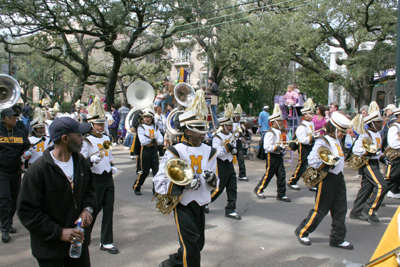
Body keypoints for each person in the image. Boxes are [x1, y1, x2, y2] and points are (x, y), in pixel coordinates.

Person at [17, 116, 97, 266]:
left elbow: (90, 191)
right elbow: (27, 212)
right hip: (50, 251)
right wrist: (59, 233)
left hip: (78, 247)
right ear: (65, 139)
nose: (83, 139)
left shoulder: (80, 162)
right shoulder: (37, 171)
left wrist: (88, 209)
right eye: (79, 135)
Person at [154, 89, 218, 267]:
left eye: (204, 128)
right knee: (191, 248)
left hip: (200, 204)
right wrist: (184, 183)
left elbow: (215, 182)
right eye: (198, 129)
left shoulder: (210, 151)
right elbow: (159, 182)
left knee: (198, 244)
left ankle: (170, 263)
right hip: (182, 203)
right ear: (187, 131)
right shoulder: (175, 150)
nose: (203, 132)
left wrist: (212, 179)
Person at [295, 112, 354, 250]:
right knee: (320, 210)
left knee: (340, 209)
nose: (343, 134)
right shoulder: (323, 140)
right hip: (327, 178)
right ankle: (302, 231)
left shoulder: (337, 140)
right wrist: (329, 162)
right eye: (341, 132)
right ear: (334, 128)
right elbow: (312, 160)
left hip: (339, 178)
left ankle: (337, 238)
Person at [81, 101, 119, 254]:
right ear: (91, 124)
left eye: (102, 123)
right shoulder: (86, 140)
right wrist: (89, 160)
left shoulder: (106, 138)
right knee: (93, 210)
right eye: (98, 124)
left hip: (107, 177)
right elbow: (80, 162)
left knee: (109, 209)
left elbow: (108, 156)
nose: (101, 126)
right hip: (94, 179)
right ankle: (83, 236)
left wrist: (111, 164)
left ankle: (107, 241)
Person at [349, 107, 389, 223]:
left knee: (367, 188)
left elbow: (378, 151)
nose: (381, 123)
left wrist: (383, 158)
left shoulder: (378, 134)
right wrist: (368, 152)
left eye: (381, 121)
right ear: (372, 123)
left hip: (374, 162)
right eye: (378, 122)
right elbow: (356, 150)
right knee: (382, 186)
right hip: (367, 162)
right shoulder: (365, 135)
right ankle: (370, 210)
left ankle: (356, 212)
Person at [0, 108, 30, 243]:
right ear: (3, 118)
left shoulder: (20, 131)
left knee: (13, 199)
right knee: (4, 199)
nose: (14, 119)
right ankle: (4, 229)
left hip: (16, 171)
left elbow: (26, 145)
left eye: (16, 117)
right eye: (11, 117)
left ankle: (9, 222)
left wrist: (26, 154)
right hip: (2, 172)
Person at [253, 104, 291, 202]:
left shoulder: (280, 132)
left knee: (282, 175)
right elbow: (267, 147)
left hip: (278, 156)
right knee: (269, 174)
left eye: (281, 120)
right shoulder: (270, 133)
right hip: (272, 156)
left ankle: (281, 194)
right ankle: (259, 189)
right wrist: (277, 148)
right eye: (279, 121)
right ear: (274, 122)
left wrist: (283, 149)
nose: (282, 122)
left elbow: (284, 142)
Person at [210, 103, 242, 220]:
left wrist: (233, 150)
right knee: (219, 188)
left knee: (232, 187)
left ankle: (230, 209)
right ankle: (205, 202)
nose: (231, 127)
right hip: (220, 164)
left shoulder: (231, 135)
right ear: (223, 126)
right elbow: (216, 152)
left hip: (229, 163)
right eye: (229, 125)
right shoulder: (216, 137)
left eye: (231, 125)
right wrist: (227, 148)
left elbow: (231, 146)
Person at [132, 107, 163, 195]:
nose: (146, 119)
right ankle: (137, 186)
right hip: (145, 151)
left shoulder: (155, 127)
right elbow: (143, 141)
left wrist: (152, 141)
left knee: (156, 172)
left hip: (153, 151)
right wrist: (154, 141)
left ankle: (156, 190)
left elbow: (160, 139)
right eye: (145, 117)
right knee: (144, 172)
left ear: (151, 118)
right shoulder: (141, 127)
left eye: (148, 117)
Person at [287, 99, 316, 191]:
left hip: (311, 146)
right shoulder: (302, 126)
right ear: (305, 114)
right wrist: (312, 138)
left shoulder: (311, 123)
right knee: (302, 164)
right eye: (310, 113)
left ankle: (311, 182)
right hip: (304, 147)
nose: (312, 115)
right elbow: (302, 139)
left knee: (312, 164)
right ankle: (292, 181)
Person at [233, 104, 248, 181]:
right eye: (237, 117)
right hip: (232, 142)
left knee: (241, 158)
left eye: (239, 117)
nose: (238, 118)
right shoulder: (231, 124)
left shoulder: (239, 124)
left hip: (238, 142)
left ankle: (242, 174)